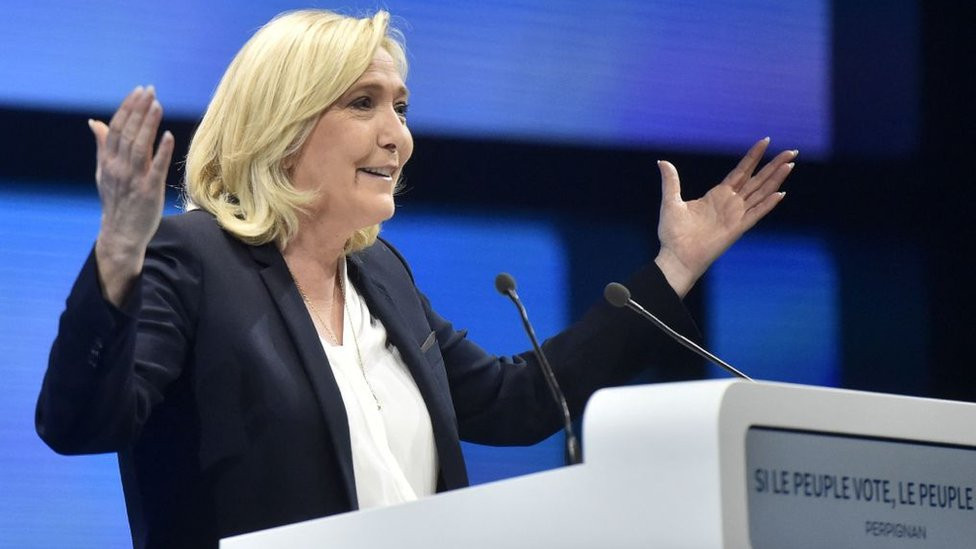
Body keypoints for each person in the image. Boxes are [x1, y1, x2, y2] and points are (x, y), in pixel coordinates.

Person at [35, 9, 797, 549]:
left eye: (400, 106)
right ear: (282, 124)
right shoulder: (193, 258)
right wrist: (119, 257)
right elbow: (81, 425)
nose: (397, 135)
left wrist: (677, 266)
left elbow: (515, 401)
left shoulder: (380, 274)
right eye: (363, 103)